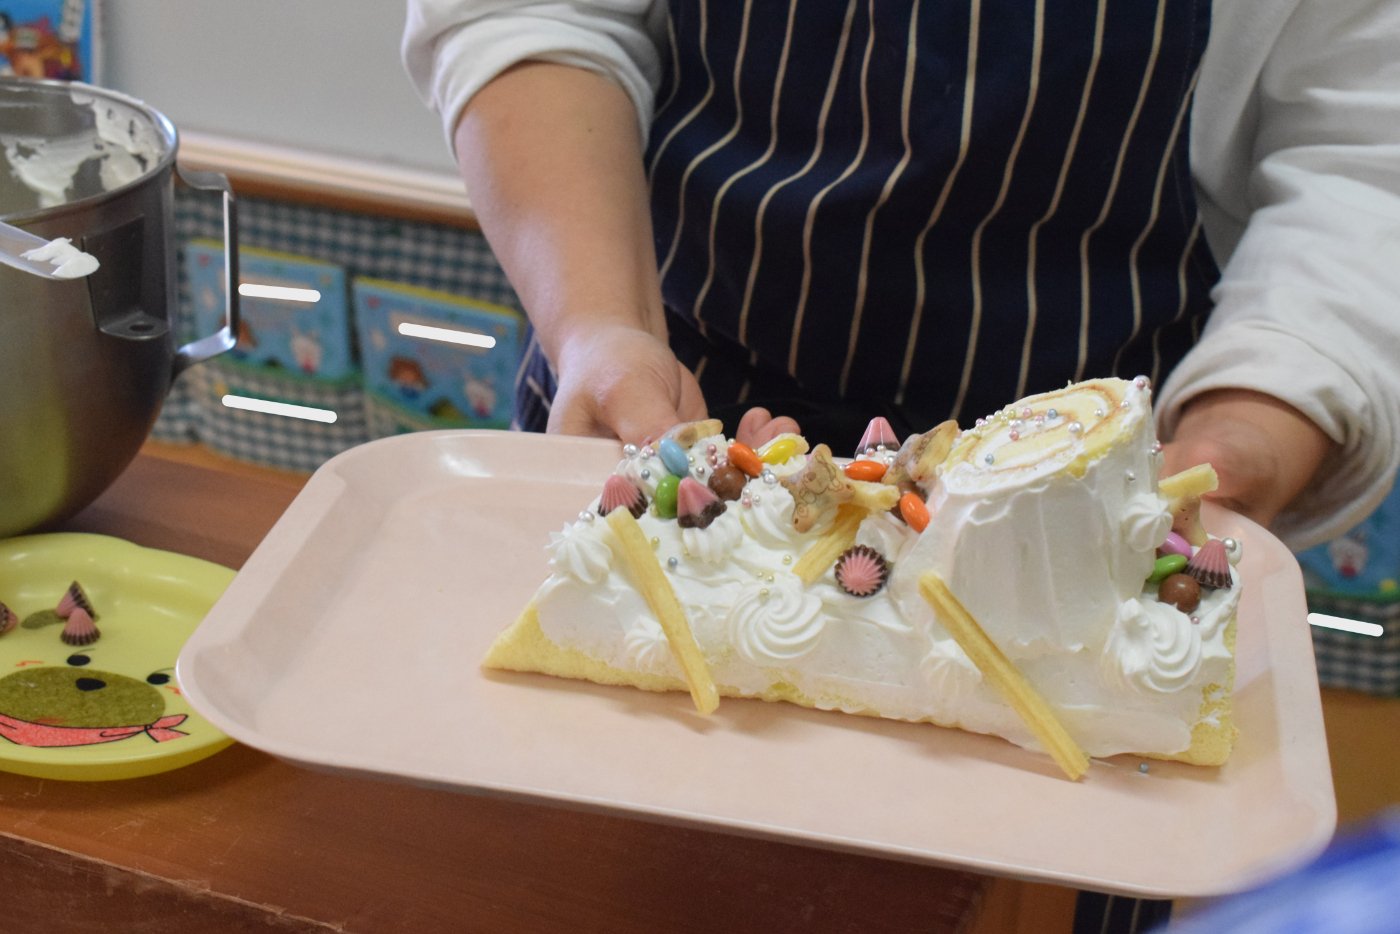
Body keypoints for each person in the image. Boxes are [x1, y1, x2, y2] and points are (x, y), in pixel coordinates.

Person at [402, 1, 1400, 551]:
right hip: (675, 403)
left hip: (1086, 500)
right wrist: (599, 328)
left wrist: (1251, 422)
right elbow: (538, 14)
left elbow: (1364, 147)